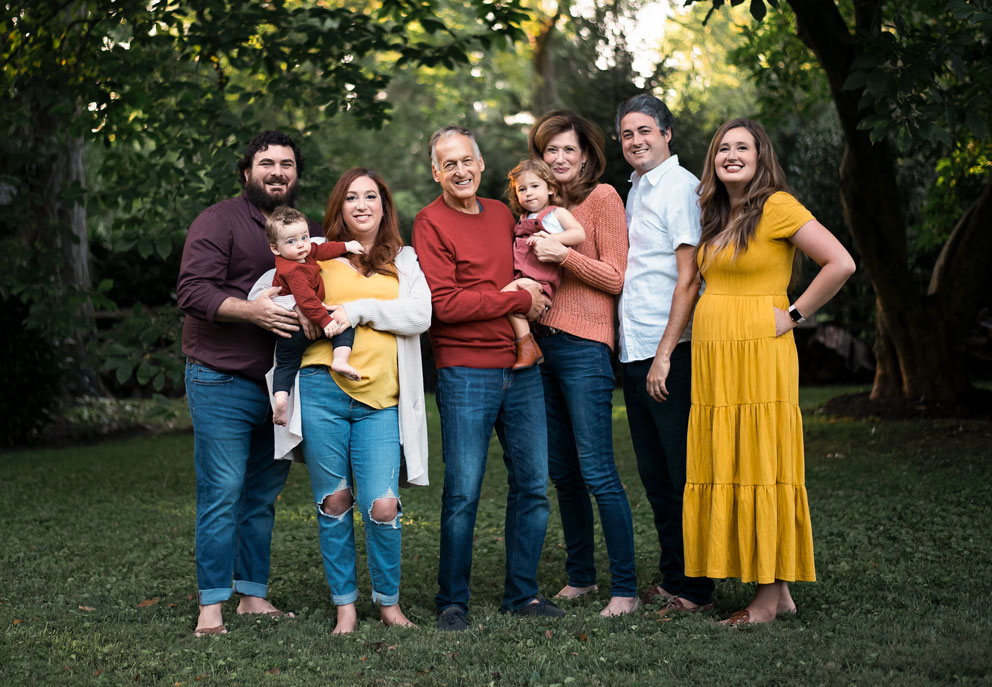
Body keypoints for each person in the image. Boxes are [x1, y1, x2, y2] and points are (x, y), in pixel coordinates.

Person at [683, 118, 855, 625]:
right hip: (717, 354)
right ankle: (777, 592)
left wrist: (795, 315)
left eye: (743, 147)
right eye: (723, 148)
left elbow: (840, 263)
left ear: (761, 157)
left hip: (759, 348)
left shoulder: (777, 206)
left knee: (760, 459)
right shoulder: (716, 213)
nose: (731, 155)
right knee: (730, 460)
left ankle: (767, 595)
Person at [412, 125, 561, 631]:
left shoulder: (502, 214)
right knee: (463, 492)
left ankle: (523, 594)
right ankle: (452, 600)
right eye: (447, 163)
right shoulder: (429, 222)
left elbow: (535, 259)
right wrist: (517, 298)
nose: (459, 170)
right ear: (436, 172)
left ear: (481, 164)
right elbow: (445, 305)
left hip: (522, 368)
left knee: (533, 486)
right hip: (465, 371)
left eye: (466, 161)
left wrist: (530, 292)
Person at [177, 130, 321, 637]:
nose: (277, 171)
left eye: (286, 163)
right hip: (221, 377)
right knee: (223, 490)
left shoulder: (305, 230)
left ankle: (252, 596)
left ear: (296, 174)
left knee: (261, 494)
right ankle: (211, 607)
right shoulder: (218, 221)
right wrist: (254, 312)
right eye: (266, 162)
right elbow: (193, 291)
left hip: (279, 387)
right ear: (247, 172)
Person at [278, 168, 431, 634]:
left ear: (384, 205)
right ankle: (345, 606)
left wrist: (357, 309)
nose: (361, 204)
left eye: (370, 196)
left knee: (383, 504)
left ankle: (388, 604)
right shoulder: (315, 251)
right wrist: (295, 311)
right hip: (322, 389)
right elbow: (269, 292)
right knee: (336, 499)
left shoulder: (404, 261)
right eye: (351, 197)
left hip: (382, 399)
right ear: (338, 207)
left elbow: (420, 314)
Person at [527, 111, 638, 617]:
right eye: (551, 151)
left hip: (585, 348)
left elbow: (616, 277)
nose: (560, 158)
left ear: (588, 154)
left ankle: (626, 589)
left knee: (597, 470)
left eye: (569, 150)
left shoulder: (604, 199)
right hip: (542, 347)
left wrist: (561, 254)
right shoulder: (542, 206)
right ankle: (580, 577)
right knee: (563, 474)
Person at [614, 94, 715, 615]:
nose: (636, 141)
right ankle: (675, 575)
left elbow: (689, 277)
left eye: (645, 131)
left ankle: (696, 588)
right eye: (628, 134)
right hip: (636, 351)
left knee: (681, 474)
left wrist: (665, 355)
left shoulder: (678, 188)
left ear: (667, 133)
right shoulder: (636, 190)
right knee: (655, 476)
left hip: (668, 353)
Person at [265, 205, 364, 426]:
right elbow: (306, 301)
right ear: (275, 248)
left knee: (286, 364)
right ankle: (339, 360)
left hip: (292, 330)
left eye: (304, 237)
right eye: (291, 241)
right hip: (299, 324)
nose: (301, 244)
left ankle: (280, 400)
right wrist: (326, 320)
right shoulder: (294, 271)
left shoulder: (303, 253)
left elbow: (322, 250)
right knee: (345, 321)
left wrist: (346, 246)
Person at [505, 158, 586, 368]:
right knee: (511, 307)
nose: (529, 193)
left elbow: (578, 234)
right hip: (524, 279)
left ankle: (527, 347)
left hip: (541, 281)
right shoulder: (522, 218)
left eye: (534, 186)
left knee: (503, 298)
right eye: (522, 189)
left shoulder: (555, 214)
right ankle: (528, 347)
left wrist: (550, 239)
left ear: (550, 188)